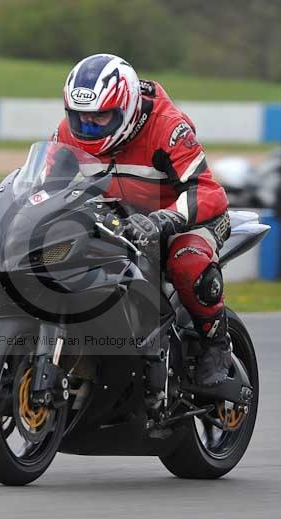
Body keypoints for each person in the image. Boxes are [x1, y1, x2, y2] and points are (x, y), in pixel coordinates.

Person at [52, 53, 232, 386]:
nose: (87, 128)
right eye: (80, 119)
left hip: (186, 220)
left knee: (185, 260)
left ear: (128, 109)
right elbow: (47, 186)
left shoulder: (167, 128)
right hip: (123, 221)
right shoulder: (68, 133)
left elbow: (206, 190)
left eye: (100, 119)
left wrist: (166, 218)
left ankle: (215, 343)